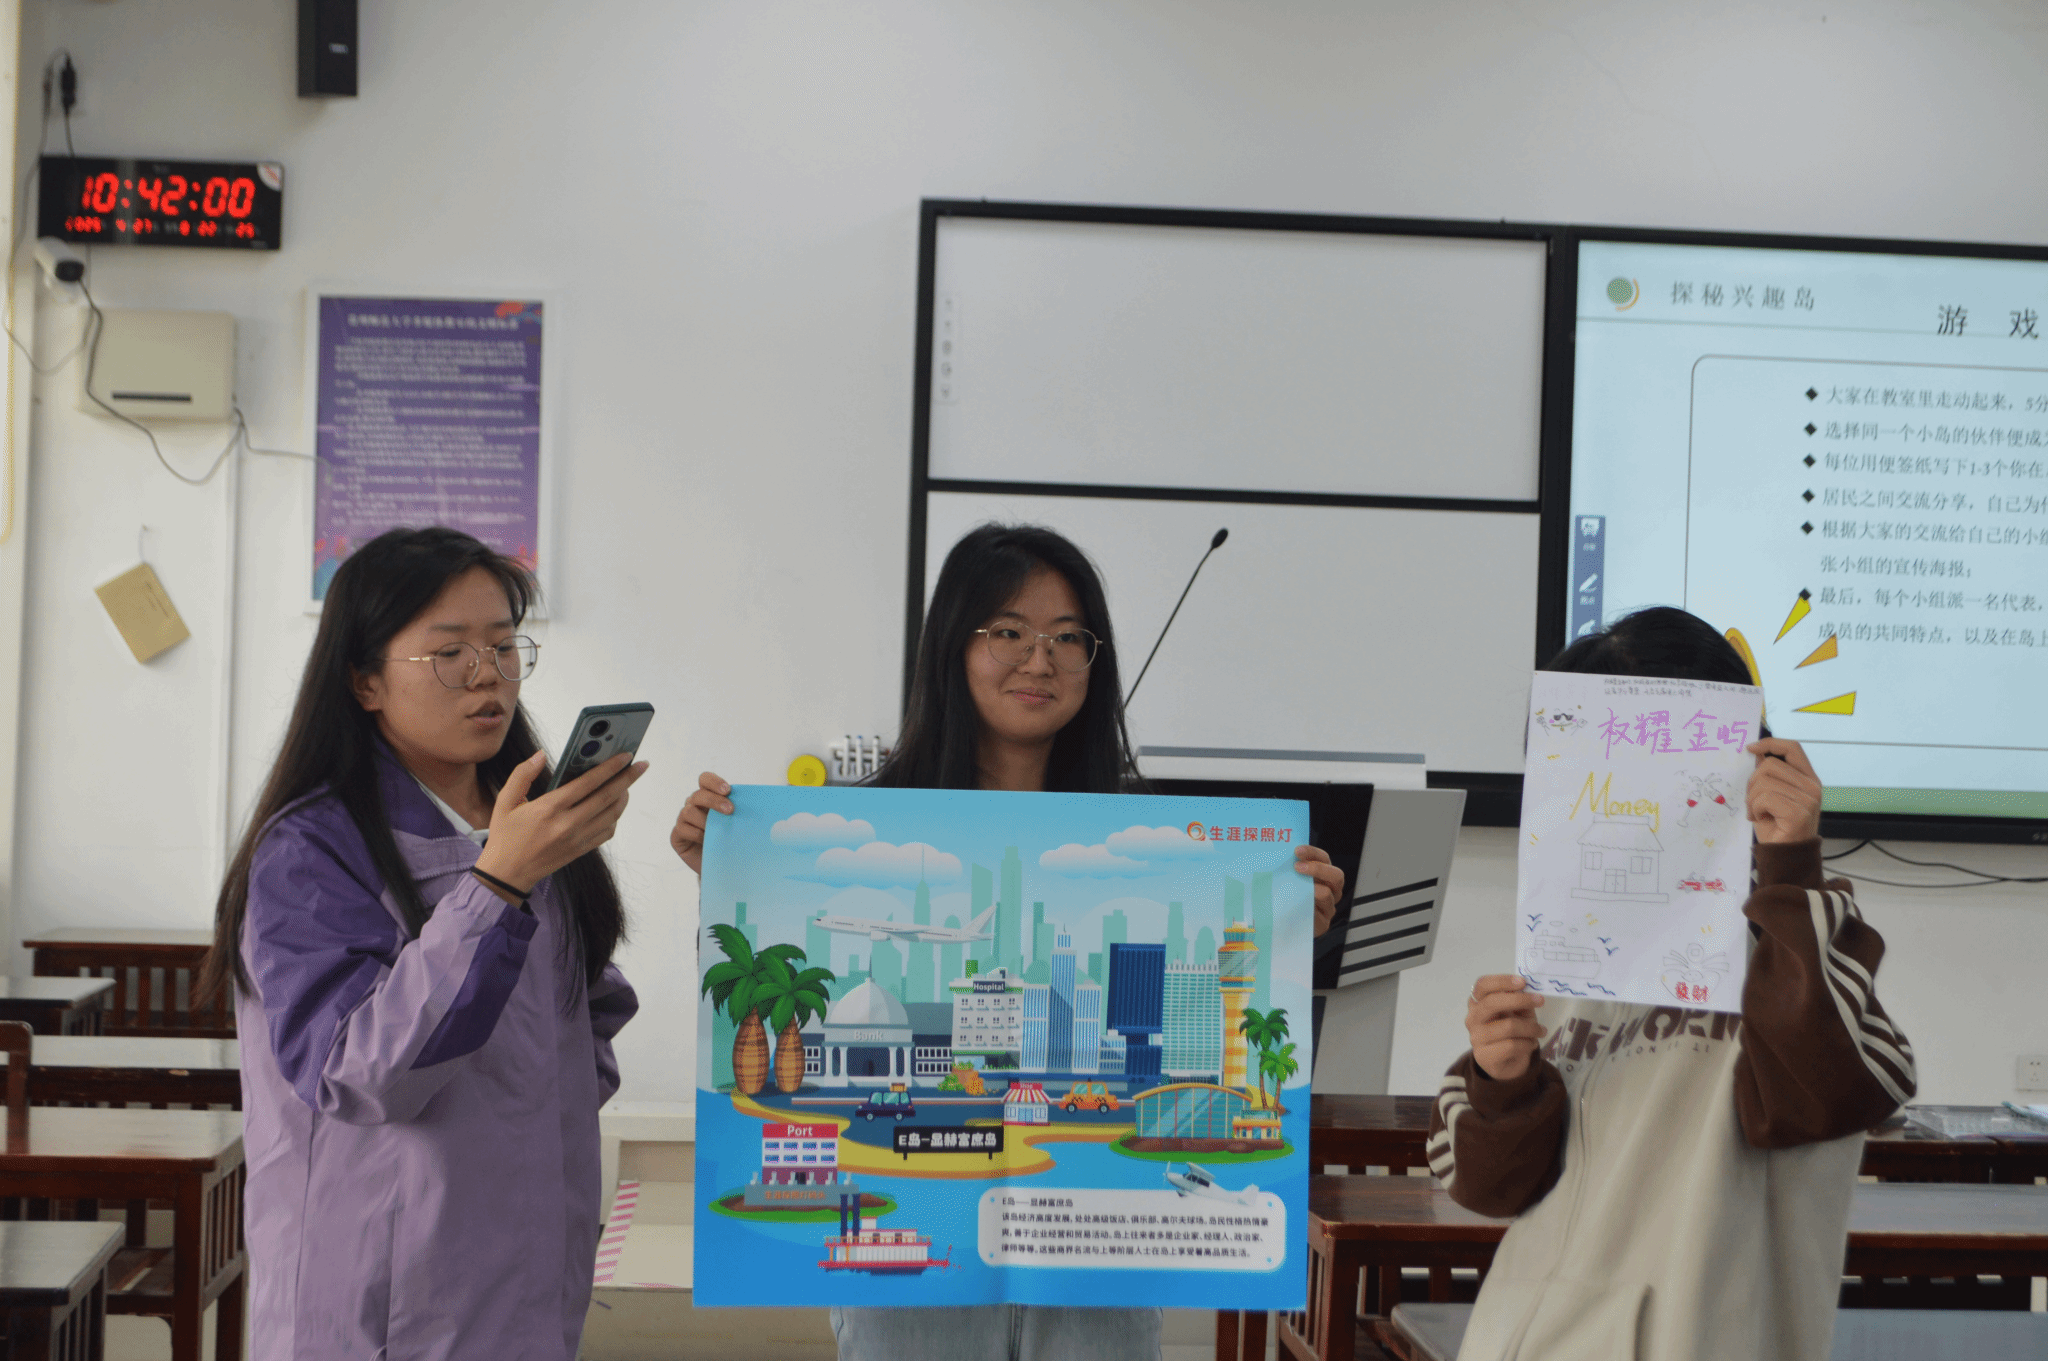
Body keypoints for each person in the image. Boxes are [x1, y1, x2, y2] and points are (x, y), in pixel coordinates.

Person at [671, 522, 1343, 1361]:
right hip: (912, 1295)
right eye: (1010, 632)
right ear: (954, 646)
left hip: (1098, 1278)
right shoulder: (864, 815)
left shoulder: (1167, 838)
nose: (1040, 660)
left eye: (1068, 638)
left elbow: (1225, 995)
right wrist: (725, 877)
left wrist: (1292, 928)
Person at [202, 527, 649, 1361]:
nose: (487, 674)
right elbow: (356, 1068)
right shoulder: (313, 847)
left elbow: (586, 1005)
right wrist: (498, 885)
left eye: (504, 646)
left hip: (527, 1260)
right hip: (381, 1286)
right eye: (449, 653)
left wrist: (527, 1123)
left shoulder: (525, 824)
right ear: (365, 679)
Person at [1432, 606, 1915, 1361]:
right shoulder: (1561, 957)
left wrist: (1790, 868)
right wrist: (1502, 1081)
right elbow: (1487, 1187)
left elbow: (1837, 1093)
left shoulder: (1795, 945)